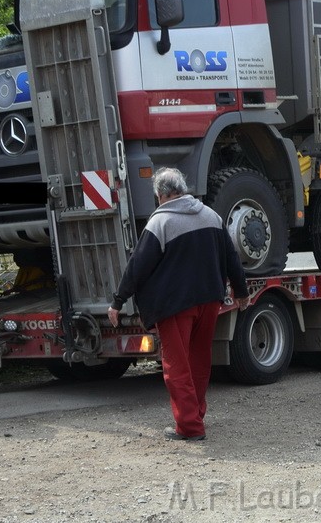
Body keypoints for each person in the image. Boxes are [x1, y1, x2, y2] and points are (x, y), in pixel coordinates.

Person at [108, 168, 250, 441]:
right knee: (199, 361)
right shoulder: (211, 216)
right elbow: (232, 257)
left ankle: (189, 427)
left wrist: (118, 300)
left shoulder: (160, 223)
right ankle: (195, 414)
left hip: (175, 306)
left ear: (160, 195)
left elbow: (138, 267)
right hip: (209, 301)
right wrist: (241, 292)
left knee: (176, 366)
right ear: (183, 189)